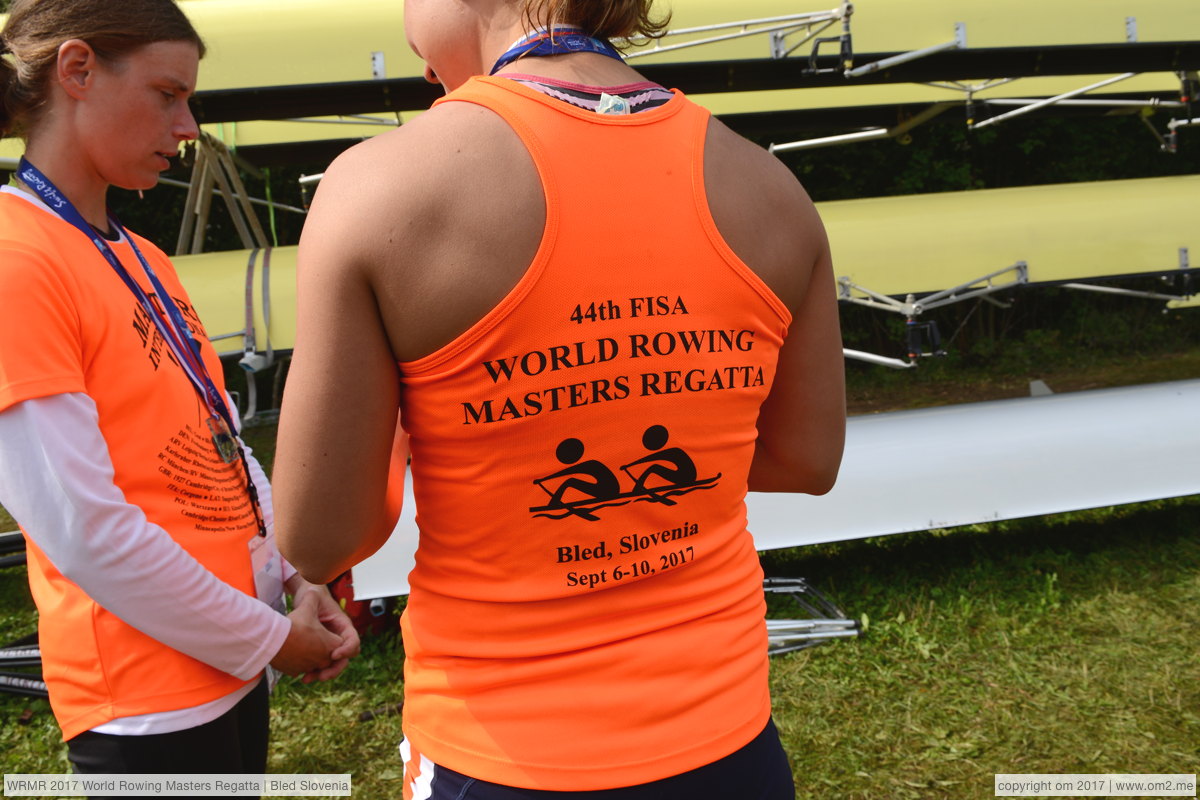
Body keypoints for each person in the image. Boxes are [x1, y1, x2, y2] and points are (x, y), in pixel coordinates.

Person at [274, 0, 845, 797]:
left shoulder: (379, 187)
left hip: (503, 750)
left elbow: (318, 535)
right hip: (727, 738)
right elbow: (808, 459)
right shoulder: (769, 184)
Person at [0, 0, 358, 777]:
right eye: (169, 95)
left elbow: (218, 439)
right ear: (77, 70)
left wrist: (298, 575)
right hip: (143, 700)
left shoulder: (145, 258)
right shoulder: (16, 259)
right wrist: (267, 635)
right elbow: (82, 528)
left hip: (224, 668)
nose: (189, 126)